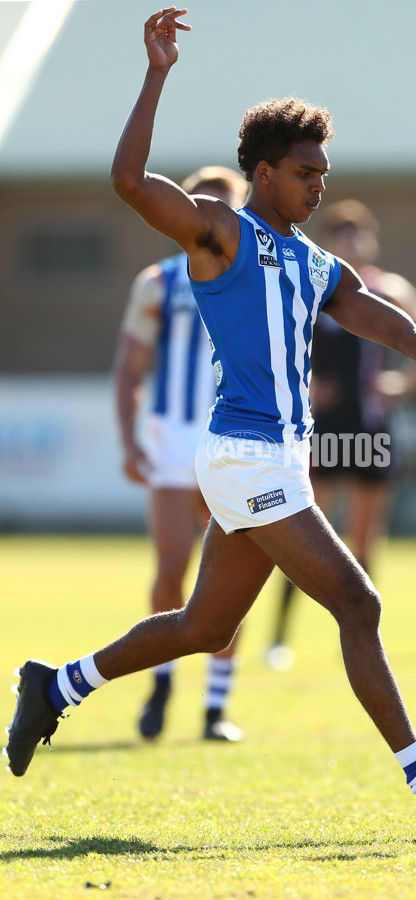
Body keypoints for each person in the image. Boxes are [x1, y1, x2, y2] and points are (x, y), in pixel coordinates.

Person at [5, 8, 416, 838]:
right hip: (244, 455)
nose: (320, 185)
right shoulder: (220, 232)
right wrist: (158, 72)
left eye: (325, 172)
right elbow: (129, 184)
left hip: (278, 460)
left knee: (205, 628)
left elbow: (404, 334)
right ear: (264, 173)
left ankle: (53, 686)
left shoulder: (319, 266)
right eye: (308, 172)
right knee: (358, 601)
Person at [266, 200, 416, 670]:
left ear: (370, 240)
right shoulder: (313, 283)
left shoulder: (386, 288)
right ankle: (279, 638)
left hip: (369, 427)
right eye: (341, 234)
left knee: (365, 541)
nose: (350, 242)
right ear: (328, 241)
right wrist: (303, 386)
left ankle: (356, 635)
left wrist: (405, 385)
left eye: (358, 234)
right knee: (305, 535)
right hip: (320, 429)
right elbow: (275, 342)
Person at [114, 164, 248, 741]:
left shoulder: (254, 278)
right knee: (171, 570)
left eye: (224, 205)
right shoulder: (160, 282)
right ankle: (163, 680)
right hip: (173, 440)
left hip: (236, 442)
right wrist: (129, 440)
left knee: (230, 579)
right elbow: (131, 369)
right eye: (202, 204)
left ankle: (216, 708)